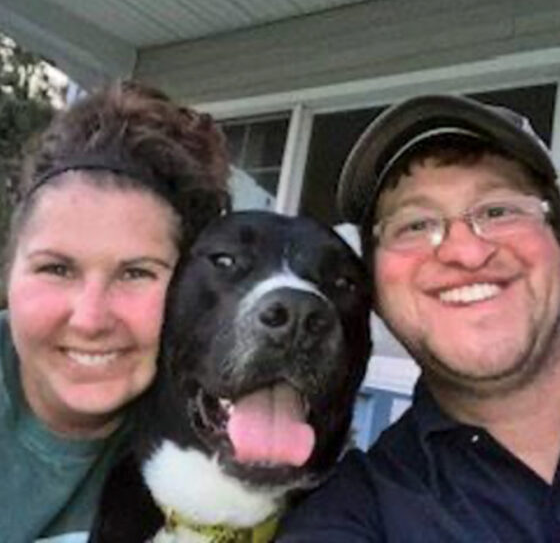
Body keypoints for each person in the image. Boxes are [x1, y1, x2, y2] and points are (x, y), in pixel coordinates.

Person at [277, 94, 560, 542]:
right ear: (372, 286)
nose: (466, 252)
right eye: (415, 225)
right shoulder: (352, 515)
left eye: (498, 211)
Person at [0, 80, 230, 542]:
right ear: (9, 272)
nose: (90, 320)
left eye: (136, 273)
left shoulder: (222, 436)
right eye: (56, 268)